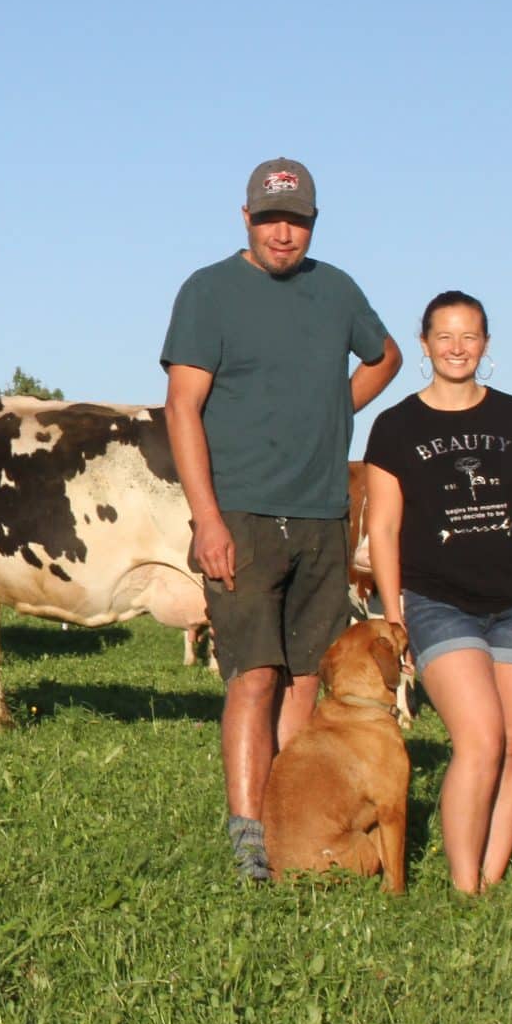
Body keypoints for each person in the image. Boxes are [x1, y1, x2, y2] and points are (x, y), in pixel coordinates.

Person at [162, 159, 402, 884]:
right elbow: (181, 408)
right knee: (253, 675)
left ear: (313, 223)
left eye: (296, 220)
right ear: (245, 217)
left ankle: (290, 820)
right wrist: (208, 519)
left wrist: (337, 407)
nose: (282, 232)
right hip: (241, 510)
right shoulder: (209, 291)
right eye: (270, 218)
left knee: (306, 676)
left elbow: (385, 355)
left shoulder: (336, 289)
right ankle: (248, 836)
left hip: (323, 509)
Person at [361, 290, 512, 894]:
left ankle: (491, 874)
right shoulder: (396, 426)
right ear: (425, 343)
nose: (458, 348)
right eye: (445, 336)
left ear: (486, 345)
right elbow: (382, 526)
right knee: (480, 738)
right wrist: (394, 612)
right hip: (438, 600)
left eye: (470, 336)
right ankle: (465, 891)